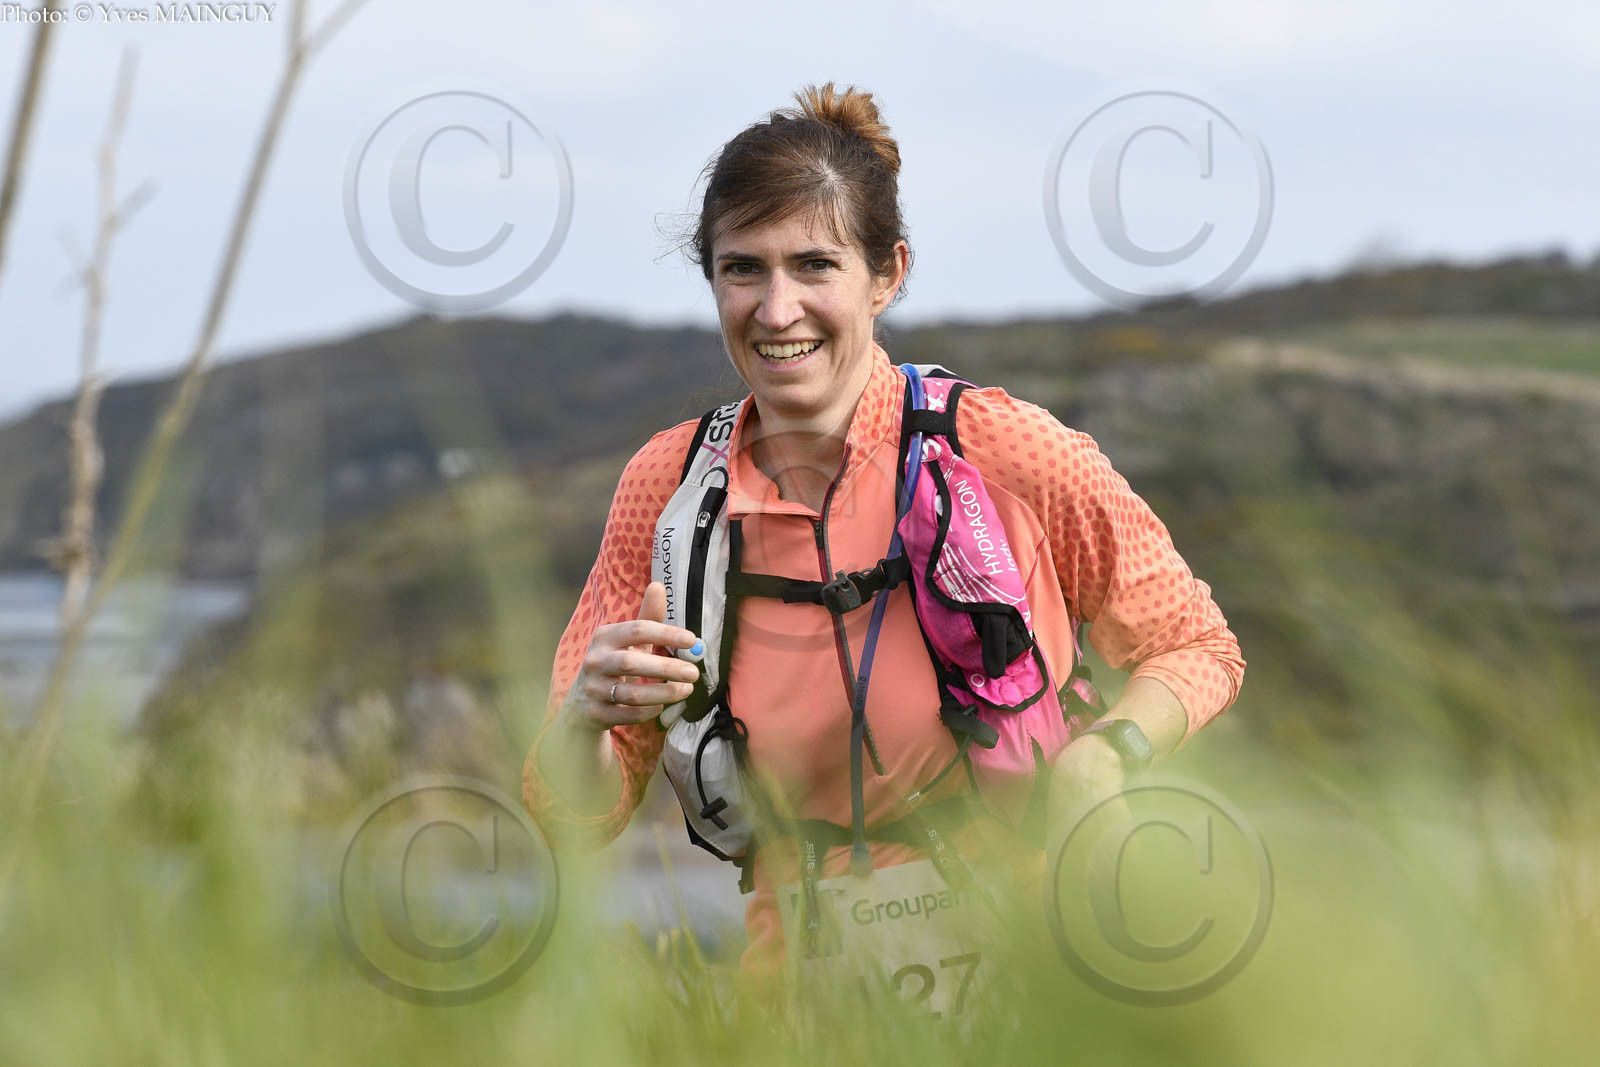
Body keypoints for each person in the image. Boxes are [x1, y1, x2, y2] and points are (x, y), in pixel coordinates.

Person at [522, 82, 1246, 998]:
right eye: (742, 269)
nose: (776, 309)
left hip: (1051, 968)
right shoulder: (668, 488)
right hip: (801, 998)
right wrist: (586, 721)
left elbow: (1197, 645)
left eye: (814, 265)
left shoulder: (1005, 449)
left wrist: (1109, 755)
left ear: (887, 273)